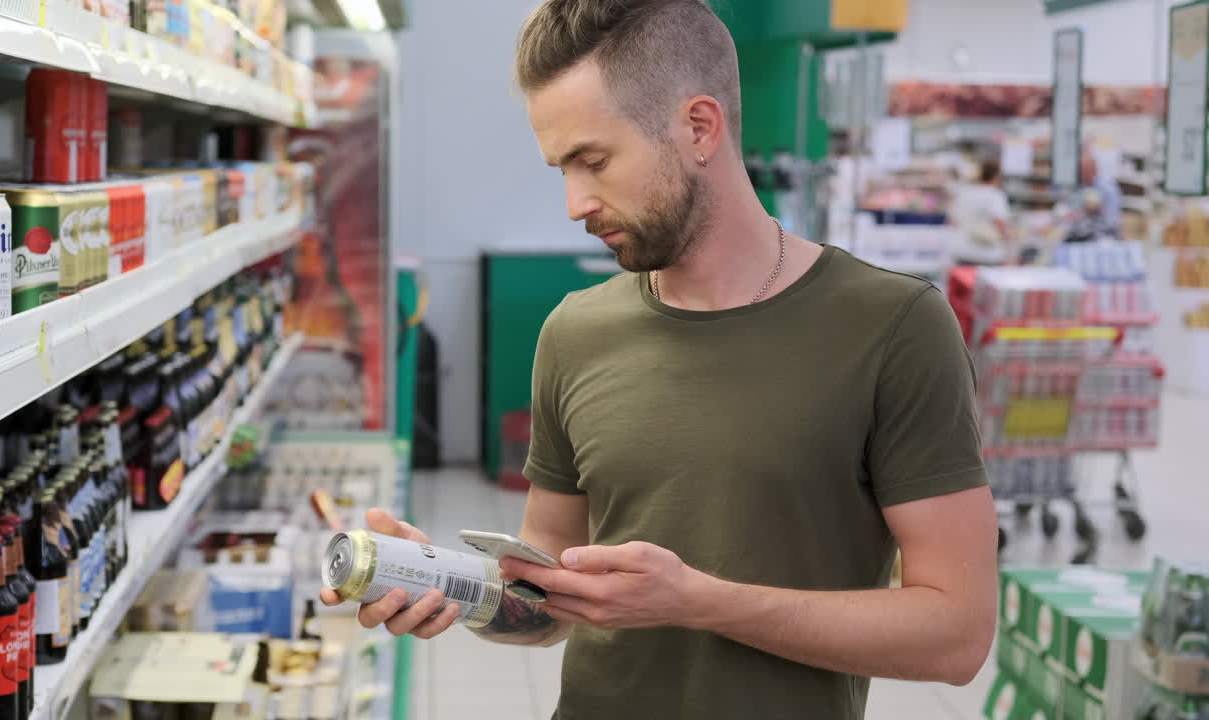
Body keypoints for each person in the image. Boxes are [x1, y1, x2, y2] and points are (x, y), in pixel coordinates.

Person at [321, 1, 998, 718]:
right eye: (562, 169)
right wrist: (451, 587)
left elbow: (956, 637)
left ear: (699, 127)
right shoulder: (576, 331)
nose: (575, 203)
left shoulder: (893, 327)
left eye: (594, 162)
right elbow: (546, 598)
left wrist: (699, 602)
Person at [949, 157, 1013, 265]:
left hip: (962, 250)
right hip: (986, 253)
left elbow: (953, 220)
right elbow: (1000, 223)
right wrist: (1009, 238)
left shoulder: (965, 192)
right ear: (997, 176)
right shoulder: (994, 195)